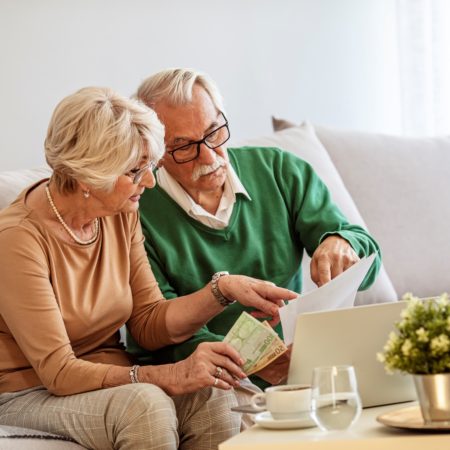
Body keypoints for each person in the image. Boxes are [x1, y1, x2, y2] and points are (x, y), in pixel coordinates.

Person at [0, 87, 298, 449]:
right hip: (30, 391)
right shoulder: (17, 239)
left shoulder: (119, 212)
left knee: (213, 391)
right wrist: (168, 375)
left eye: (148, 167)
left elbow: (149, 321)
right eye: (135, 171)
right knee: (145, 403)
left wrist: (223, 290)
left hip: (107, 377)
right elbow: (59, 372)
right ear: (90, 175)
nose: (150, 181)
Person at [129, 68, 382, 394]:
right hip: (209, 377)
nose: (208, 156)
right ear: (155, 155)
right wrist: (253, 362)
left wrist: (342, 242)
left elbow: (369, 263)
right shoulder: (136, 213)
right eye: (184, 146)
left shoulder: (280, 171)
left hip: (298, 364)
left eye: (214, 132)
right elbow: (157, 332)